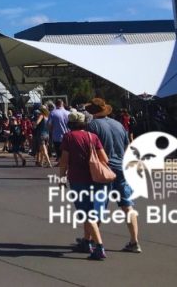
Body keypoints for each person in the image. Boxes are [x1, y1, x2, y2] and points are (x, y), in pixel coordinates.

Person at [60, 109, 110, 260]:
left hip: (78, 179)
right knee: (92, 211)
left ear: (71, 123)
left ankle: (99, 247)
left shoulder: (68, 137)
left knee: (87, 213)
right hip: (95, 179)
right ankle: (86, 242)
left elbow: (64, 161)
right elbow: (105, 159)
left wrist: (62, 178)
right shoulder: (93, 136)